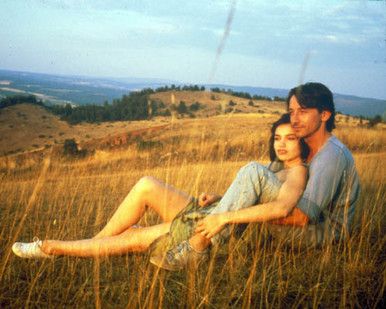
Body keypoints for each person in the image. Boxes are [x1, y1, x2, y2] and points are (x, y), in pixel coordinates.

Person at [12, 113, 309, 260]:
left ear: (303, 141)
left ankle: (52, 248)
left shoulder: (297, 173)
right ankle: (94, 244)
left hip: (212, 231)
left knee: (135, 238)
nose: (281, 144)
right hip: (213, 214)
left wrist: (222, 217)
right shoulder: (275, 169)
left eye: (290, 138)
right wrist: (219, 198)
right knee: (145, 185)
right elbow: (254, 200)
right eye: (277, 137)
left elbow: (282, 210)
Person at [151, 82, 360, 271]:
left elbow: (300, 217)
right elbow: (257, 190)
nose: (294, 119)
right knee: (251, 178)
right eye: (291, 112)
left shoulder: (330, 155)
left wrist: (225, 217)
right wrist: (224, 199)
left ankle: (199, 246)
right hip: (287, 225)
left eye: (303, 112)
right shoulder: (302, 148)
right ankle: (197, 237)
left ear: (324, 115)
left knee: (254, 171)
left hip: (317, 235)